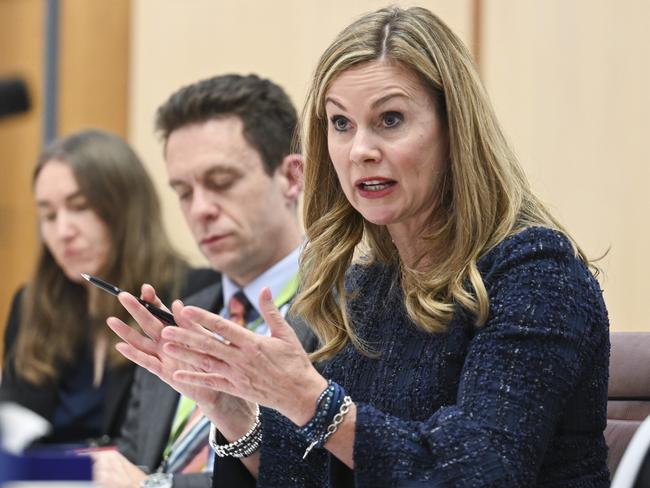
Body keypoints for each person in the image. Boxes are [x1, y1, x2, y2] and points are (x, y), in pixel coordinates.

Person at [109, 6, 610, 487]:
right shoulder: (368, 286)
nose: (361, 150)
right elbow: (322, 475)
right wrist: (233, 412)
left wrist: (313, 401)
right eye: (341, 124)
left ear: (453, 128)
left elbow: (479, 471)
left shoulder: (537, 274)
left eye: (390, 119)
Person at [92, 74, 319, 488]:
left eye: (221, 183)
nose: (200, 209)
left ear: (291, 177)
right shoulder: (178, 312)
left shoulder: (352, 305)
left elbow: (329, 474)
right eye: (183, 191)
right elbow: (131, 461)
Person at [0, 130, 215, 446]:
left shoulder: (195, 294)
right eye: (48, 215)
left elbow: (178, 450)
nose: (62, 231)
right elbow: (13, 440)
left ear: (126, 209)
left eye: (80, 206)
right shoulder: (31, 302)